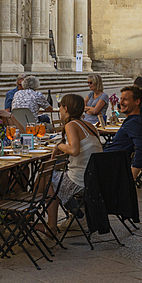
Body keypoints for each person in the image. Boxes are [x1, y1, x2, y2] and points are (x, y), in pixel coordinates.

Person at [45, 94, 103, 236]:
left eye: (60, 107)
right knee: (53, 177)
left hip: (81, 180)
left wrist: (59, 146)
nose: (59, 110)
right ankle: (78, 215)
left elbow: (74, 150)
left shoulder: (71, 125)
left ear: (65, 108)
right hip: (95, 178)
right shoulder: (89, 125)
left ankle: (49, 224)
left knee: (46, 179)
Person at [103, 85, 142, 179]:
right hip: (107, 162)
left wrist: (132, 177)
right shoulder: (131, 121)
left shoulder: (135, 123)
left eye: (125, 100)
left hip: (110, 167)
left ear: (137, 102)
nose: (121, 103)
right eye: (121, 99)